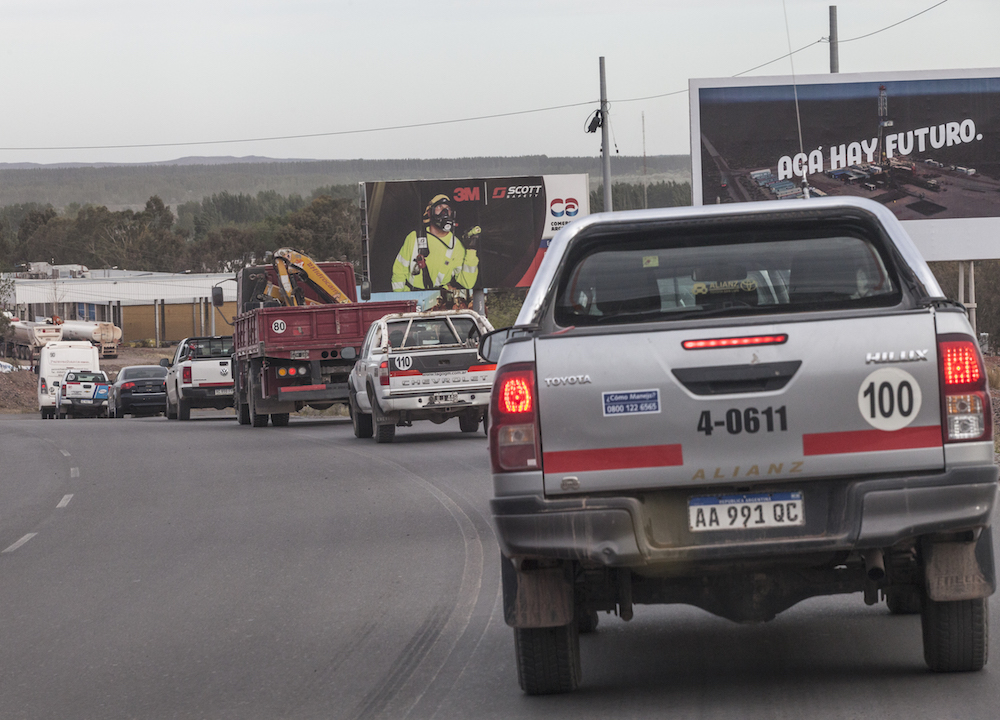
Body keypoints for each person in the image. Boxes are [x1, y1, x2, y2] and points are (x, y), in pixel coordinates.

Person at [391, 194, 480, 292]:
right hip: (412, 295)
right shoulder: (414, 237)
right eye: (439, 207)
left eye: (448, 209)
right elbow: (398, 271)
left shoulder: (456, 245)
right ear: (429, 212)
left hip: (438, 298)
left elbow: (468, 283)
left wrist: (471, 250)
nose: (444, 212)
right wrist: (400, 298)